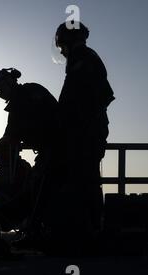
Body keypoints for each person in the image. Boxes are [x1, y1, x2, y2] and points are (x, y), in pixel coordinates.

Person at [50, 21, 115, 253]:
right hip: (86, 130)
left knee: (84, 179)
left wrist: (71, 120)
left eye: (61, 45)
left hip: (85, 133)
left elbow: (78, 98)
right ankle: (87, 233)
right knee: (85, 179)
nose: (61, 50)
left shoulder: (82, 58)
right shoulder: (84, 58)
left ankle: (88, 236)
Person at [0, 68, 60, 247]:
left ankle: (35, 234)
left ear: (10, 81)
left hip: (55, 149)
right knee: (42, 188)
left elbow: (9, 137)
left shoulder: (24, 98)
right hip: (52, 149)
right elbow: (9, 137)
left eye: (0, 87)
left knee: (39, 188)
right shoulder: (28, 94)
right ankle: (42, 231)